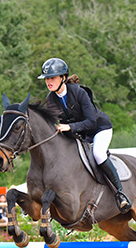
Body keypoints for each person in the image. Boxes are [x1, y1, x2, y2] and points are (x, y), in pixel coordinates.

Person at [38, 57, 131, 213]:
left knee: (98, 154)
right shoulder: (51, 100)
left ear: (63, 78)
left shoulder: (79, 93)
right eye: (47, 78)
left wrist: (69, 126)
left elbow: (91, 122)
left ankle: (120, 194)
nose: (49, 81)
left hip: (99, 128)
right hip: (81, 134)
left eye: (52, 77)